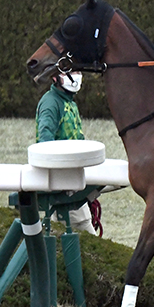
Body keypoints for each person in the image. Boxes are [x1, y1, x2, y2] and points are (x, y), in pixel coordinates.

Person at [36, 71, 97, 235]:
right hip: (64, 183)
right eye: (69, 72)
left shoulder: (68, 101)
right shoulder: (51, 103)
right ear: (54, 77)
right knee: (84, 233)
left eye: (77, 71)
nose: (75, 75)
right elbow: (45, 143)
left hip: (73, 179)